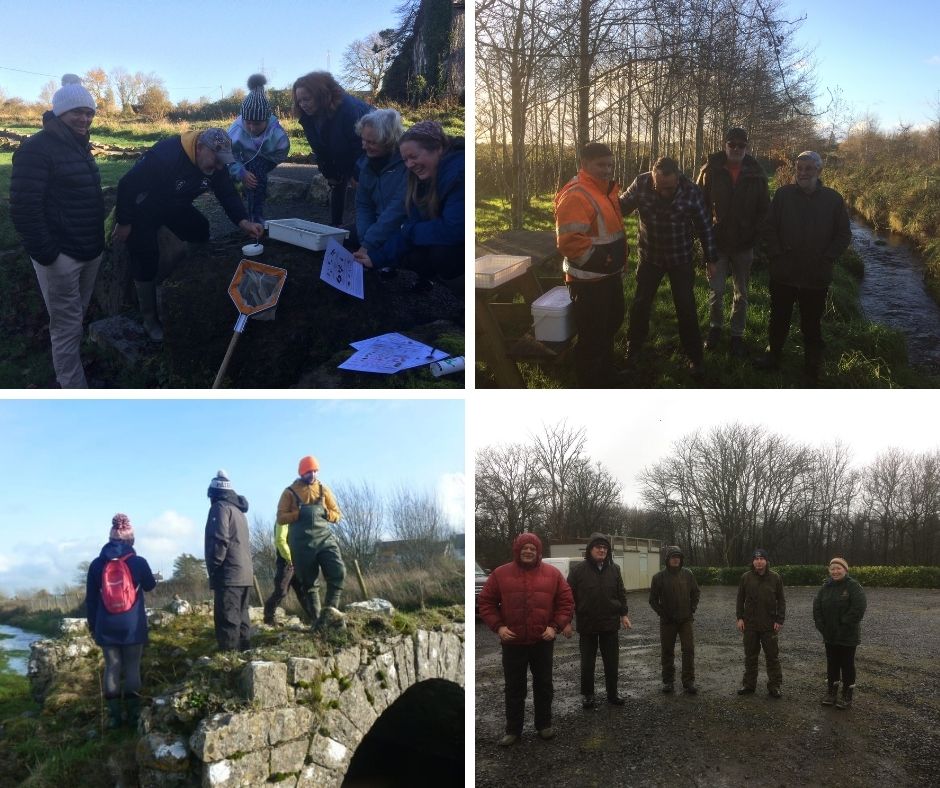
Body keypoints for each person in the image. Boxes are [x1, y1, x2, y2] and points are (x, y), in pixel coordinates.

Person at [112, 128, 264, 342]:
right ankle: (149, 318)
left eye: (224, 162)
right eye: (216, 160)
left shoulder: (216, 165)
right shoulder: (165, 156)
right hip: (143, 208)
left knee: (200, 227)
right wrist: (125, 221)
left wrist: (244, 221)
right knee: (146, 255)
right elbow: (127, 185)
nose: (220, 167)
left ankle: (190, 275)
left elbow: (226, 192)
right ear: (200, 148)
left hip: (174, 205)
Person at [9, 74, 104, 388]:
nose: (84, 117)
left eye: (89, 112)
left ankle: (74, 368)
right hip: (61, 256)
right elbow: (24, 208)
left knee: (75, 319)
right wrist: (50, 255)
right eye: (77, 111)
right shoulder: (37, 149)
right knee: (65, 326)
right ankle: (74, 390)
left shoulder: (79, 145)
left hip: (88, 250)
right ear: (60, 112)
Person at [757, 150, 851, 384]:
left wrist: (827, 257)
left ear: (819, 171)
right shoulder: (783, 195)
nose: (803, 172)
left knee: (811, 322)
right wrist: (776, 255)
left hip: (815, 275)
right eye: (799, 168)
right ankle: (773, 355)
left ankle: (811, 364)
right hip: (784, 272)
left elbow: (843, 234)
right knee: (778, 317)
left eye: (808, 168)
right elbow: (768, 228)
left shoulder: (833, 199)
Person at [620, 156, 717, 380]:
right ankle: (632, 350)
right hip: (650, 257)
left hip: (680, 257)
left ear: (679, 178)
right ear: (652, 178)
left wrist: (710, 259)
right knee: (640, 304)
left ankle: (695, 357)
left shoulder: (691, 191)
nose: (664, 192)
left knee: (686, 307)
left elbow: (705, 227)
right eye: (659, 187)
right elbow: (620, 208)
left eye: (670, 188)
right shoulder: (641, 183)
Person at [477, 533, 574, 747]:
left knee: (544, 685)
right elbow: (485, 602)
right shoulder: (500, 574)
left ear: (538, 552)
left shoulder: (553, 574)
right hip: (513, 644)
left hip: (543, 641)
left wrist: (555, 626)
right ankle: (513, 730)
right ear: (517, 550)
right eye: (524, 548)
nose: (528, 551)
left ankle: (544, 725)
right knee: (514, 688)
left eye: (532, 548)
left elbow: (566, 602)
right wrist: (499, 626)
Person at [353, 121, 464, 291]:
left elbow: (454, 229)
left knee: (441, 255)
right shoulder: (421, 180)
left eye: (414, 157)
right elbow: (413, 221)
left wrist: (410, 231)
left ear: (438, 149)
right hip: (419, 231)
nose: (409, 165)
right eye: (405, 160)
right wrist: (376, 259)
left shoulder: (458, 174)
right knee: (413, 252)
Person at [554, 142, 628, 386]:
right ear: (584, 164)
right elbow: (570, 242)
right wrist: (604, 260)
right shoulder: (577, 194)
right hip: (588, 282)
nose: (607, 170)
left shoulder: (605, 190)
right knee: (593, 336)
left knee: (610, 325)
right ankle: (589, 382)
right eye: (601, 165)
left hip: (608, 276)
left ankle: (607, 373)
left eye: (610, 165)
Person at [696, 127, 770, 358]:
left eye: (741, 145)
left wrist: (755, 240)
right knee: (716, 292)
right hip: (717, 244)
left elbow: (764, 211)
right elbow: (699, 207)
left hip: (744, 245)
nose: (736, 148)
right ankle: (715, 328)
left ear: (747, 147)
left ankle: (737, 334)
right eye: (732, 144)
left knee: (742, 293)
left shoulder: (757, 174)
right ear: (724, 145)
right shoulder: (709, 171)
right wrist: (704, 240)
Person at [85, 513, 156, 728]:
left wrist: (93, 626)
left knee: (112, 666)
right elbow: (151, 586)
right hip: (132, 624)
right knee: (133, 666)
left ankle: (115, 718)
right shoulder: (138, 562)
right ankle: (134, 716)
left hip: (106, 624)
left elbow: (90, 601)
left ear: (110, 538)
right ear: (130, 540)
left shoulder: (96, 565)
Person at [292, 71, 372, 226]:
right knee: (336, 184)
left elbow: (361, 148)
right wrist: (330, 172)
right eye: (299, 100)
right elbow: (320, 149)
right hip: (341, 150)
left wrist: (357, 174)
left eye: (306, 99)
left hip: (367, 151)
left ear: (321, 94)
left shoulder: (349, 109)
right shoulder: (308, 116)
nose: (302, 104)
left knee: (364, 191)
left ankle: (366, 234)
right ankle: (335, 229)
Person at [277, 455, 345, 629]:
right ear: (302, 472)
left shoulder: (323, 489)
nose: (313, 474)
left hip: (324, 539)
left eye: (315, 471)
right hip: (301, 543)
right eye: (309, 471)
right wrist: (297, 515)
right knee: (309, 584)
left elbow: (337, 514)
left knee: (338, 572)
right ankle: (317, 621)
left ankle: (330, 613)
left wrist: (326, 513)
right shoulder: (289, 492)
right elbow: (281, 517)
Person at [563, 532, 631, 708]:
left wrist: (624, 615)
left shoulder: (615, 569)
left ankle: (612, 693)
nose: (602, 550)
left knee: (612, 661)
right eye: (598, 547)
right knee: (587, 662)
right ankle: (588, 695)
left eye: (605, 547)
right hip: (587, 625)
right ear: (590, 550)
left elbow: (621, 593)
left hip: (610, 623)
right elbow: (568, 599)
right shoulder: (578, 571)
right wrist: (567, 621)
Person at [227, 74, 290, 224]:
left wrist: (263, 160)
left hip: (265, 158)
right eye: (248, 123)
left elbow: (282, 153)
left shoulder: (277, 134)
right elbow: (226, 155)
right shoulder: (235, 131)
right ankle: (247, 212)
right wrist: (240, 171)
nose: (251, 127)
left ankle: (255, 216)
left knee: (256, 175)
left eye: (257, 123)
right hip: (239, 159)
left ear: (266, 120)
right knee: (245, 175)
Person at [349, 109, 408, 260]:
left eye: (371, 142)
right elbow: (363, 205)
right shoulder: (365, 166)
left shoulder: (407, 165)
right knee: (341, 236)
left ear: (389, 140)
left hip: (403, 228)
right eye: (363, 140)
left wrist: (368, 245)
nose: (364, 146)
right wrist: (365, 239)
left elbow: (397, 210)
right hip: (376, 227)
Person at [204, 469, 253, 651]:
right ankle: (245, 659)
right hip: (245, 574)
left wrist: (215, 567)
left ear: (213, 492)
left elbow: (219, 540)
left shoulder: (219, 508)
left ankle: (229, 666)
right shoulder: (239, 511)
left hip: (229, 574)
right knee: (242, 619)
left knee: (228, 621)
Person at [813, 557, 867, 710]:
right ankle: (831, 692)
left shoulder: (853, 586)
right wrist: (821, 625)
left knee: (847, 664)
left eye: (838, 568)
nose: (835, 571)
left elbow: (858, 608)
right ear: (829, 571)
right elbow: (817, 607)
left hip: (847, 635)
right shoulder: (825, 587)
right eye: (832, 569)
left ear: (845, 570)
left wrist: (842, 624)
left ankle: (847, 695)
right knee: (832, 663)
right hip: (829, 635)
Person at [648, 545, 701, 694]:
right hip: (667, 622)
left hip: (686, 620)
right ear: (667, 559)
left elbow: (696, 592)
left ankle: (689, 681)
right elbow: (652, 600)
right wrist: (662, 613)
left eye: (678, 557)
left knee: (689, 650)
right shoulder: (658, 577)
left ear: (681, 559)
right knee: (667, 651)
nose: (676, 559)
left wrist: (692, 609)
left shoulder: (688, 574)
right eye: (673, 557)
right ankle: (668, 681)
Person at [736, 548, 786, 698]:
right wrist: (739, 618)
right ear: (753, 561)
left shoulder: (775, 578)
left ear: (766, 561)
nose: (759, 562)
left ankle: (774, 686)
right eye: (756, 559)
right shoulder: (745, 577)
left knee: (772, 657)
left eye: (761, 559)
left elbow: (782, 601)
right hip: (750, 625)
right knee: (750, 656)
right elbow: (740, 599)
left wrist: (779, 619)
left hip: (769, 625)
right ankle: (749, 685)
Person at [262, 519, 315, 625]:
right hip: (286, 561)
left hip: (298, 561)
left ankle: (315, 619)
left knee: (303, 592)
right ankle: (269, 618)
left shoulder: (298, 521)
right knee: (281, 591)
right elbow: (280, 540)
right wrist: (289, 558)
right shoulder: (283, 519)